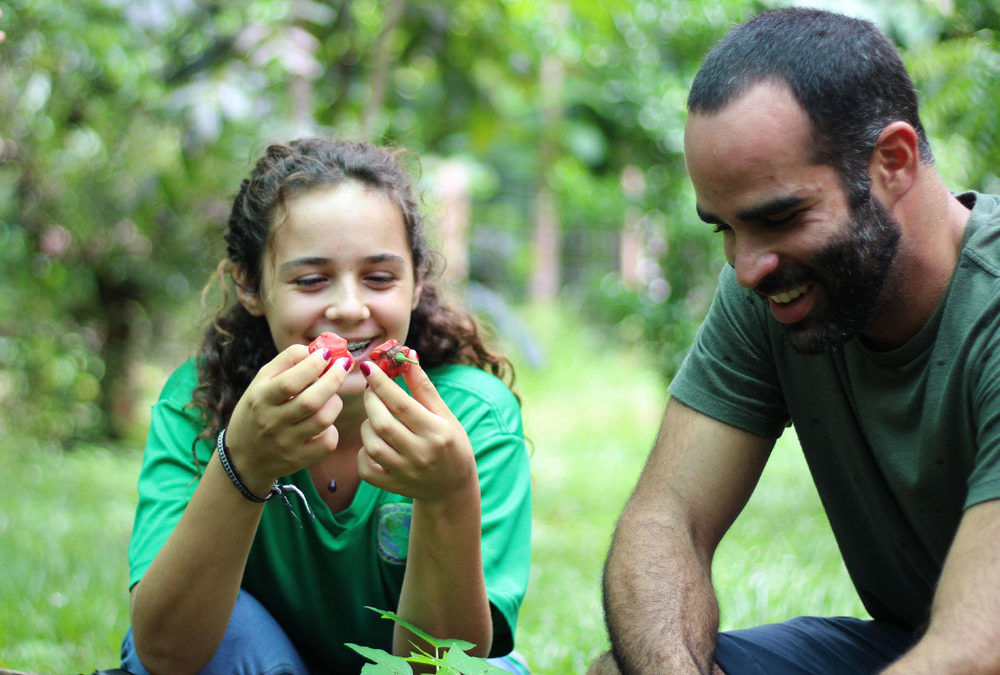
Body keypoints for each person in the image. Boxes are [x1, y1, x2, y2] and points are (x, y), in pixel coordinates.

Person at [590, 7, 1000, 675]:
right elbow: (666, 520)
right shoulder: (780, 289)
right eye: (723, 228)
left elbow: (974, 651)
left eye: (779, 217)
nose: (747, 267)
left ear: (891, 163)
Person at [120, 137, 532, 674]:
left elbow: (447, 665)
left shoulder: (475, 417)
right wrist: (242, 465)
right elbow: (167, 653)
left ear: (416, 283)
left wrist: (448, 494)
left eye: (380, 278)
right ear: (249, 286)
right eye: (311, 280)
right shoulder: (198, 406)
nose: (348, 307)